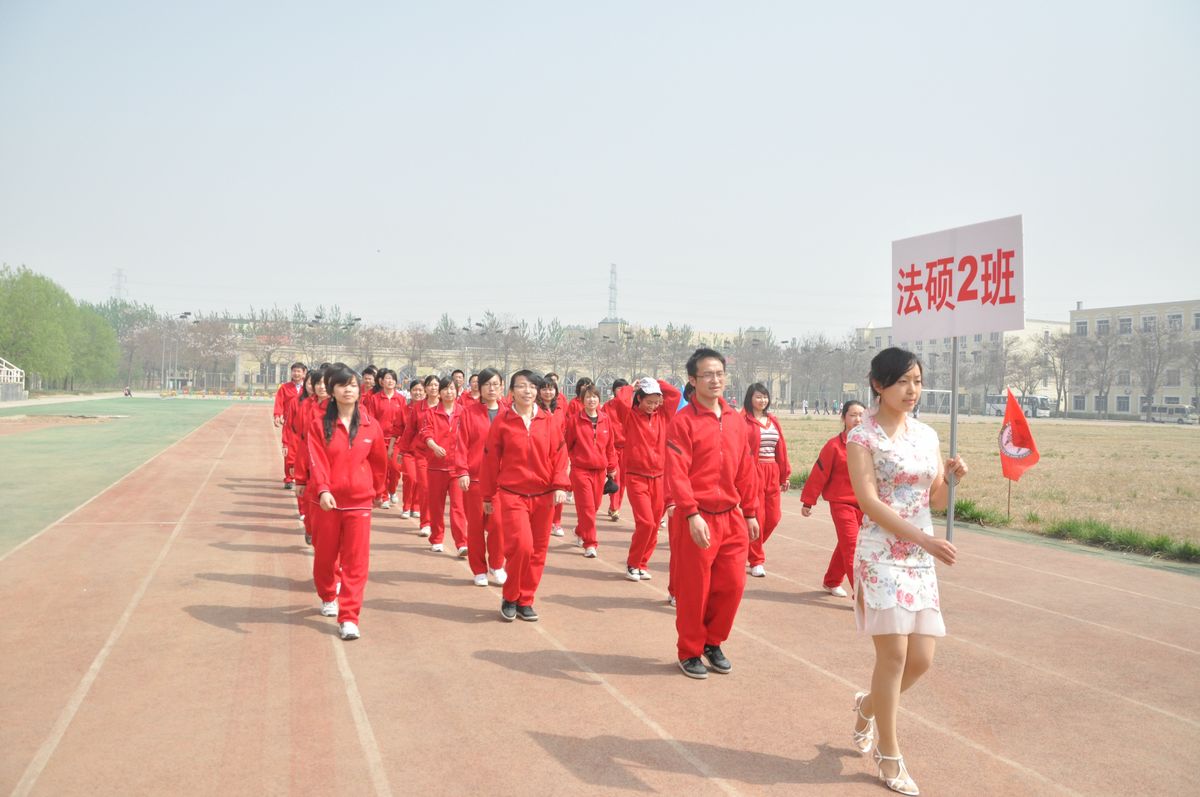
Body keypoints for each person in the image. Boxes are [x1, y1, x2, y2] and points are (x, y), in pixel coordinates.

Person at [845, 348, 967, 795]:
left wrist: (952, 480)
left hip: (919, 556)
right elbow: (869, 502)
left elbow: (934, 498)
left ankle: (868, 705)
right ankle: (889, 754)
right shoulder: (862, 437)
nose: (912, 389)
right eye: (902, 381)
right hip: (881, 553)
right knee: (894, 655)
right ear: (878, 385)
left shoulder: (927, 435)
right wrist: (924, 540)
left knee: (921, 660)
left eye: (917, 380)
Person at [666, 348, 759, 679]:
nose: (715, 379)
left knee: (732, 584)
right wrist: (691, 514)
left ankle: (712, 641)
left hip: (731, 515)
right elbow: (677, 472)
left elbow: (745, 468)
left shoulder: (735, 420)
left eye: (719, 373)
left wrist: (750, 511)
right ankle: (689, 650)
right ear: (693, 380)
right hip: (697, 516)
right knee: (695, 590)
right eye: (707, 374)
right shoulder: (683, 422)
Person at [305, 364, 386, 641]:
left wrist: (378, 491)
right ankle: (329, 594)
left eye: (352, 385)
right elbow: (316, 461)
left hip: (359, 502)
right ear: (332, 390)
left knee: (356, 562)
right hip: (327, 502)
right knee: (325, 557)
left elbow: (379, 462)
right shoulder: (319, 425)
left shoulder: (370, 425)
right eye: (342, 385)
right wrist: (323, 490)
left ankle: (349, 616)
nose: (348, 390)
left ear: (359, 389)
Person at [481, 371, 569, 622]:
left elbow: (560, 455)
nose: (527, 391)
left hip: (544, 496)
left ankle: (526, 600)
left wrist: (560, 485)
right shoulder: (503, 422)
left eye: (532, 386)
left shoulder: (548, 421)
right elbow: (490, 460)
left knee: (538, 551)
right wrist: (487, 495)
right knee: (521, 547)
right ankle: (510, 596)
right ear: (511, 392)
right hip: (513, 495)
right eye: (521, 386)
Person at [607, 376, 681, 582]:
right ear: (639, 398)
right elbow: (620, 401)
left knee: (655, 524)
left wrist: (657, 381)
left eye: (656, 402)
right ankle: (633, 563)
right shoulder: (630, 416)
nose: (653, 406)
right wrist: (631, 386)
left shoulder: (663, 415)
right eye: (649, 401)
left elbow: (675, 394)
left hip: (659, 477)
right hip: (636, 477)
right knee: (646, 522)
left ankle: (642, 564)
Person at [801, 400, 866, 597]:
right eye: (853, 415)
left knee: (847, 544)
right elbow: (819, 473)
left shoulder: (871, 445)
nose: (857, 419)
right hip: (841, 503)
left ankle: (831, 581)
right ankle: (862, 597)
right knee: (852, 547)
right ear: (843, 418)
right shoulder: (834, 446)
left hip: (866, 504)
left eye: (861, 415)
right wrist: (808, 501)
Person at [453, 368, 507, 586]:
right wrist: (462, 471)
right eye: (487, 384)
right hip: (476, 479)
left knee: (499, 525)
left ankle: (497, 564)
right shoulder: (469, 413)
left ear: (502, 386)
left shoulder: (509, 412)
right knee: (475, 526)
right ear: (479, 387)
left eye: (495, 384)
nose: (491, 388)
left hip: (502, 480)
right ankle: (479, 569)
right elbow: (462, 443)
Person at [741, 383, 791, 578]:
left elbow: (781, 448)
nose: (762, 400)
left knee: (773, 517)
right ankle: (756, 560)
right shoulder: (743, 420)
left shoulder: (773, 421)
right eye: (758, 397)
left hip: (772, 471)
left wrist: (784, 474)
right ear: (750, 398)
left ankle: (746, 547)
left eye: (765, 397)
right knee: (758, 517)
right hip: (753, 473)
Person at [563, 382, 618, 558]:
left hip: (600, 471)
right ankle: (591, 544)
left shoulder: (605, 419)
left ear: (599, 399)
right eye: (588, 397)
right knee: (586, 508)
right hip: (580, 470)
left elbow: (610, 446)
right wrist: (568, 463)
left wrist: (612, 467)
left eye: (594, 397)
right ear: (582, 400)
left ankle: (580, 531)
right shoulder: (575, 420)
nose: (591, 400)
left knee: (594, 507)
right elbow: (567, 444)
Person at [421, 376, 468, 555]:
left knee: (458, 507)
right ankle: (437, 539)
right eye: (445, 389)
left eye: (452, 388)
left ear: (457, 391)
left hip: (457, 468)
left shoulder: (464, 412)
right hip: (436, 467)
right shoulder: (431, 413)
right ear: (439, 393)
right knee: (436, 505)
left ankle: (462, 543)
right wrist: (434, 446)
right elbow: (426, 433)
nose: (449, 392)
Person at [370, 369, 407, 508]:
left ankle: (392, 490)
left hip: (396, 439)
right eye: (387, 378)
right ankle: (384, 496)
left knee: (396, 468)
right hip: (380, 439)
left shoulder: (401, 399)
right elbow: (372, 419)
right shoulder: (375, 398)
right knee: (383, 469)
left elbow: (404, 420)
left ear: (396, 382)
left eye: (392, 379)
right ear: (381, 381)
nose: (390, 381)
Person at [536, 378, 569, 537]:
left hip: (558, 453)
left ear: (556, 391)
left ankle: (556, 522)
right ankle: (544, 521)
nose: (547, 392)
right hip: (540, 453)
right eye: (544, 389)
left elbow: (564, 430)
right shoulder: (535, 409)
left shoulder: (560, 409)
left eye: (551, 389)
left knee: (559, 485)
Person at [273, 362, 308, 489]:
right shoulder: (285, 388)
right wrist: (277, 415)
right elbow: (279, 402)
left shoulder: (308, 388)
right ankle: (289, 478)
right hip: (289, 423)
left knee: (304, 451)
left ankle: (303, 477)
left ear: (304, 373)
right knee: (289, 452)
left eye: (299, 371)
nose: (296, 373)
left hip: (305, 423)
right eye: (294, 371)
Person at [398, 380, 426, 520]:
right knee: (410, 478)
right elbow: (401, 430)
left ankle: (416, 506)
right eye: (415, 389)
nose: (418, 392)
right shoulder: (404, 409)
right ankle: (406, 506)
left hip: (425, 452)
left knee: (421, 481)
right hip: (409, 450)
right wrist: (400, 451)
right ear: (410, 391)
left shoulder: (430, 409)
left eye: (420, 390)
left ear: (425, 392)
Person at [603, 379, 630, 521]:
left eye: (624, 389)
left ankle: (615, 506)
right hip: (612, 447)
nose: (621, 391)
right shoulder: (607, 407)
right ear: (614, 390)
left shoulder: (630, 407)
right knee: (615, 477)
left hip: (627, 448)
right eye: (618, 388)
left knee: (623, 480)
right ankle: (614, 508)